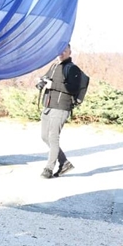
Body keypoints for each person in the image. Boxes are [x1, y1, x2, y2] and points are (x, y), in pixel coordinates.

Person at [36, 43, 83, 179]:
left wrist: (53, 85)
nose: (61, 53)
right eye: (59, 51)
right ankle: (64, 163)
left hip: (61, 107)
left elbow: (73, 88)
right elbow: (46, 78)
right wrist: (41, 82)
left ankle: (49, 168)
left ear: (69, 52)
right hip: (48, 106)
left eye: (64, 51)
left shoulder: (73, 69)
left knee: (53, 137)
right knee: (44, 136)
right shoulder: (54, 66)